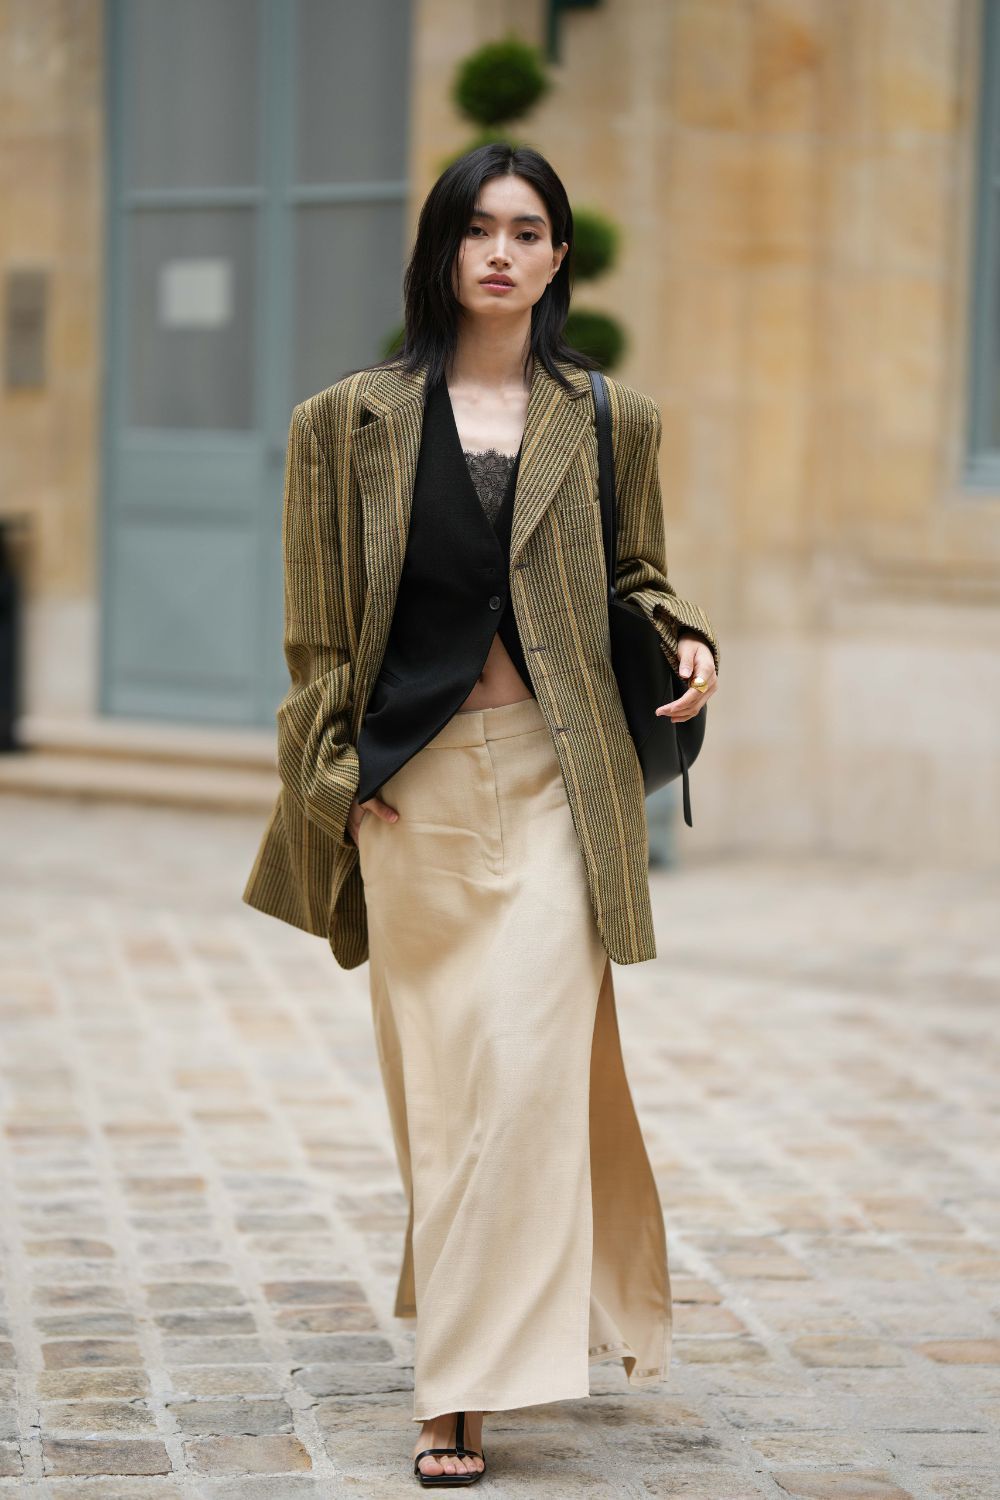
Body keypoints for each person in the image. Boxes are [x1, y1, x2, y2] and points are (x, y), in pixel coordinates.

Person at [242, 142, 720, 1488]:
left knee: (522, 1080)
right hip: (417, 791)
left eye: (527, 230)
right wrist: (338, 787)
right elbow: (317, 636)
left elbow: (638, 575)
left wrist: (685, 642)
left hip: (563, 784)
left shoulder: (611, 420)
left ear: (558, 257)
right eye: (477, 229)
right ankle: (471, 1334)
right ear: (444, 253)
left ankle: (456, 1391)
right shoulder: (346, 424)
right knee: (448, 1098)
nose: (501, 251)